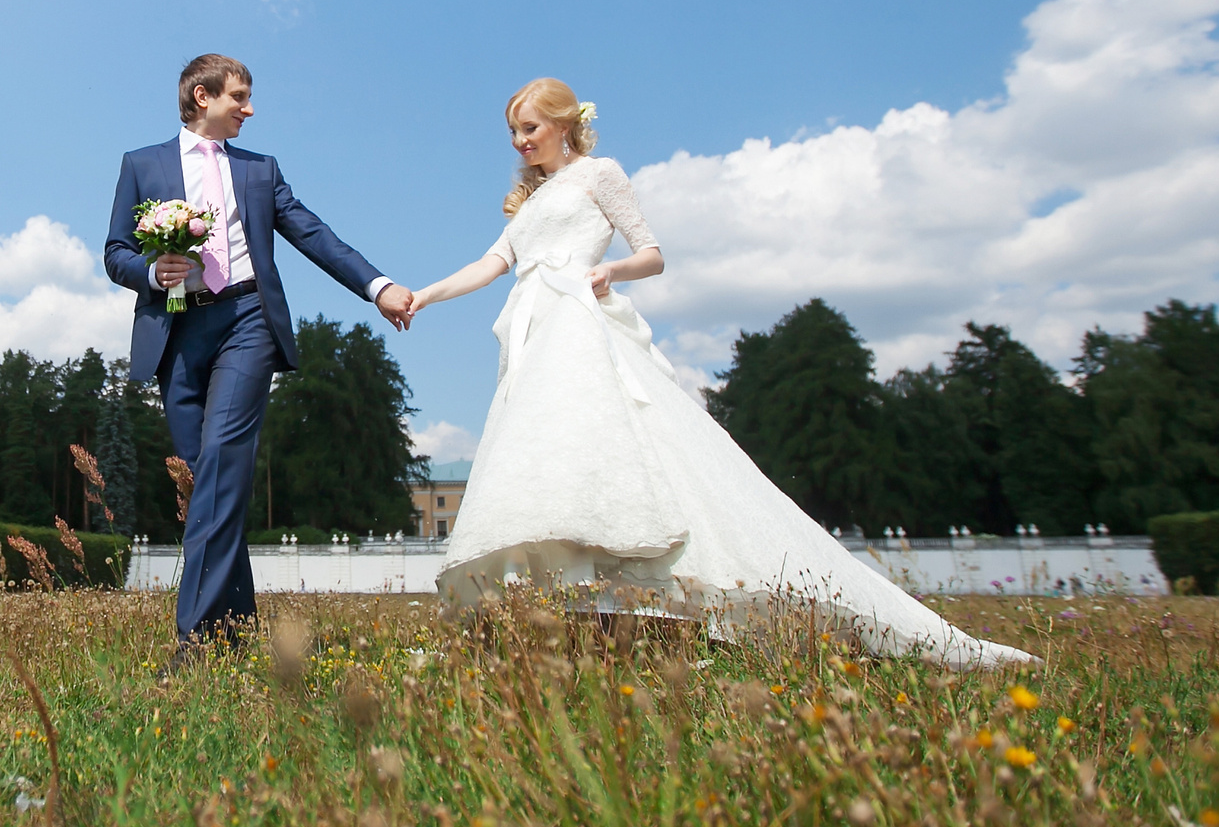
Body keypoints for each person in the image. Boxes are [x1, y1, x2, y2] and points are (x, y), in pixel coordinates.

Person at [406, 78, 1030, 668]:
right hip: (533, 335)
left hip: (580, 327)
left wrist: (609, 273)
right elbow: (489, 265)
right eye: (514, 132)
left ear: (565, 125)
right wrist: (423, 297)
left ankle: (626, 610)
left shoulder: (600, 175)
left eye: (530, 127)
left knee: (611, 451)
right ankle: (563, 614)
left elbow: (650, 253)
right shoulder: (530, 202)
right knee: (545, 461)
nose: (521, 142)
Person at [106, 54, 415, 666]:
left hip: (248, 322)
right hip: (176, 331)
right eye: (239, 97)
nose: (249, 109)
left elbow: (313, 233)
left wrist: (377, 286)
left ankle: (193, 644)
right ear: (201, 96)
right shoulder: (140, 165)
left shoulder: (260, 170)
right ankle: (238, 630)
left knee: (220, 465)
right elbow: (116, 251)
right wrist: (150, 269)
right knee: (211, 485)